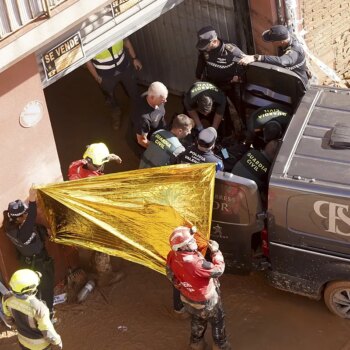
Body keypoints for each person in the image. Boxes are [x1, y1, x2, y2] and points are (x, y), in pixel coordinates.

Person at [68, 143, 123, 287]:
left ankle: (92, 262)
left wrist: (109, 157)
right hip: (91, 216)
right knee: (102, 245)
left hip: (78, 214)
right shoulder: (94, 181)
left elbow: (91, 160)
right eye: (100, 165)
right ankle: (106, 275)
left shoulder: (75, 166)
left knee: (92, 244)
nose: (100, 167)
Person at [166, 226, 230, 350]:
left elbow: (170, 273)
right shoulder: (197, 264)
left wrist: (182, 286)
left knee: (197, 318)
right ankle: (220, 346)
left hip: (187, 298)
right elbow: (219, 270)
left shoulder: (172, 255)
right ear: (183, 247)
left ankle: (196, 344)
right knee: (217, 320)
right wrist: (216, 252)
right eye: (190, 241)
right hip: (206, 301)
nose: (194, 241)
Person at [3, 187, 55, 320]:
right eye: (24, 214)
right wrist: (32, 198)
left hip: (26, 262)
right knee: (47, 288)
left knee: (34, 290)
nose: (26, 215)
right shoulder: (24, 233)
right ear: (19, 218)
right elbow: (32, 216)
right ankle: (48, 315)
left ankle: (35, 314)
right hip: (39, 263)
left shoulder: (9, 226)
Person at [86, 37, 142, 130]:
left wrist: (134, 58)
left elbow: (126, 41)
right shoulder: (90, 39)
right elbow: (87, 60)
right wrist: (97, 77)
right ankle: (116, 113)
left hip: (124, 67)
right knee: (110, 97)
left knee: (134, 91)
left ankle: (140, 112)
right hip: (105, 74)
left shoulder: (114, 28)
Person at [195, 26, 245, 126]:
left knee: (239, 108)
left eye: (206, 46)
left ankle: (243, 128)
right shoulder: (204, 49)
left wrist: (238, 76)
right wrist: (198, 76)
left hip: (231, 84)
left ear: (214, 41)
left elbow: (245, 63)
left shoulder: (231, 51)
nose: (205, 49)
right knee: (221, 108)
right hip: (214, 83)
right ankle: (227, 130)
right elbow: (201, 62)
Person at [2, 269, 62, 350]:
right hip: (40, 347)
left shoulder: (6, 298)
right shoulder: (39, 308)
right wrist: (58, 343)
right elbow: (48, 333)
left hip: (23, 341)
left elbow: (9, 320)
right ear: (30, 289)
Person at [238, 25, 309, 88]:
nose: (271, 43)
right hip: (288, 79)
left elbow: (282, 61)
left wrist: (256, 57)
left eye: (272, 41)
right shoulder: (286, 38)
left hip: (299, 86)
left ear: (281, 41)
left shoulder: (295, 51)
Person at [132, 81, 168, 148]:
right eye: (162, 100)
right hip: (150, 137)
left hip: (158, 129)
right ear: (152, 97)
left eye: (165, 98)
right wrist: (157, 149)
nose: (165, 101)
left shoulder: (151, 95)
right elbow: (141, 140)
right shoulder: (143, 119)